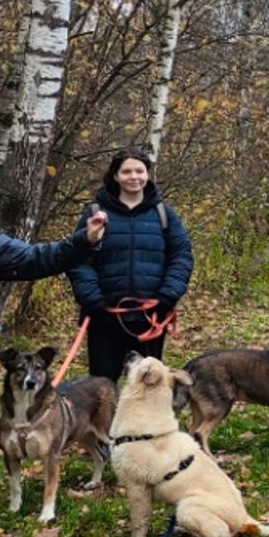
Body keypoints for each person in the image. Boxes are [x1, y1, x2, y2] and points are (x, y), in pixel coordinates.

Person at [68, 149, 193, 382]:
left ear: (148, 174)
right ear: (116, 175)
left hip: (150, 318)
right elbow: (78, 259)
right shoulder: (95, 213)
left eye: (139, 171)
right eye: (127, 171)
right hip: (104, 317)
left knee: (149, 387)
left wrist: (168, 296)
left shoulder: (164, 215)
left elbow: (182, 256)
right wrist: (93, 299)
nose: (134, 176)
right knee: (101, 389)